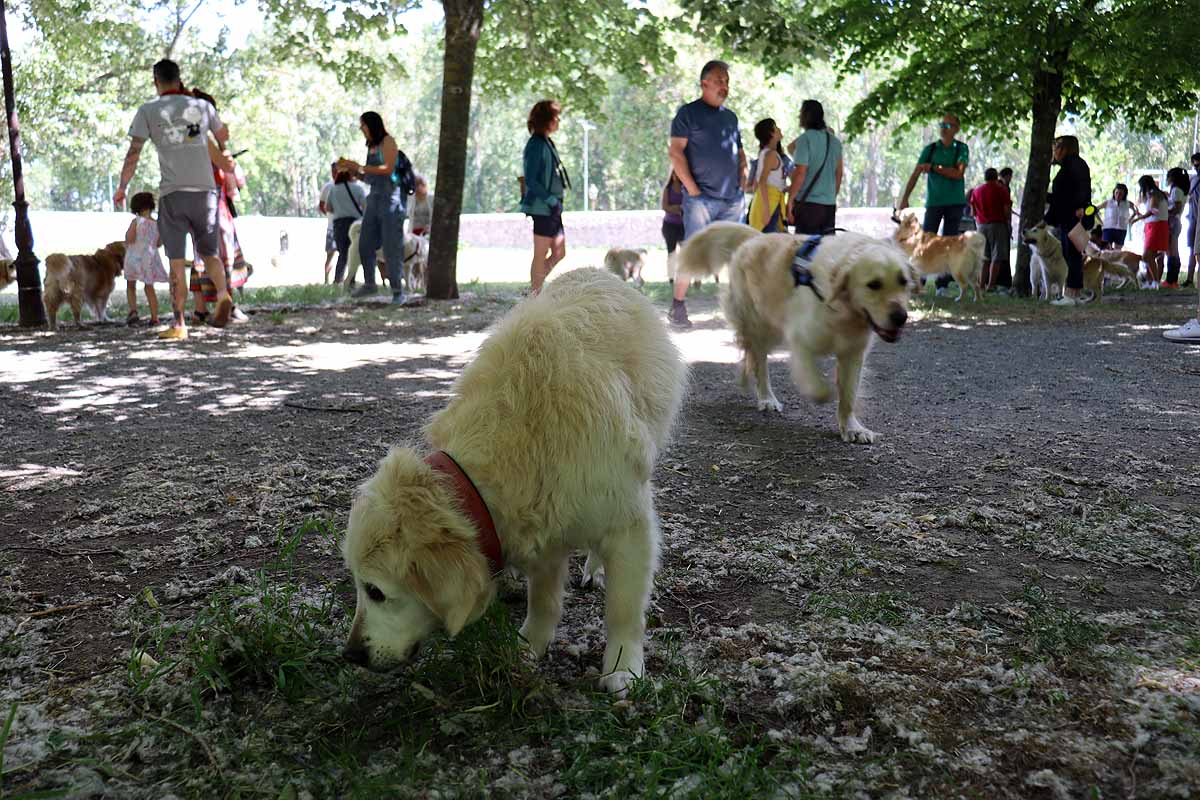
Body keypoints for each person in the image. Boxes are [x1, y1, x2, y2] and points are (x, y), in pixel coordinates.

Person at [113, 59, 233, 340]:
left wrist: (122, 186)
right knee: (210, 253)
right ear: (179, 80)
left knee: (177, 262)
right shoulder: (201, 107)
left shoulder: (148, 111)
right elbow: (221, 137)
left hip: (173, 194)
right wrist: (226, 156)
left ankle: (179, 323)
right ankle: (224, 295)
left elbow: (133, 153)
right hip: (205, 193)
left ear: (156, 82)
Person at [667, 60, 747, 327]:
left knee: (738, 254)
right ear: (705, 83)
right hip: (700, 199)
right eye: (719, 80)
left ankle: (741, 310)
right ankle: (678, 306)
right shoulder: (687, 113)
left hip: (732, 199)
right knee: (694, 252)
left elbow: (739, 150)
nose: (725, 85)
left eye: (727, 80)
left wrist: (742, 177)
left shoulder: (731, 117)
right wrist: (692, 189)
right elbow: (676, 152)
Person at [188, 89, 250, 324]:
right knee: (221, 254)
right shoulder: (204, 137)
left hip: (196, 200)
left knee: (200, 254)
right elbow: (227, 168)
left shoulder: (186, 136)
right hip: (214, 202)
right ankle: (227, 304)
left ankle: (200, 308)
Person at [339, 111, 407, 304]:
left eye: (363, 125)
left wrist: (359, 166)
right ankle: (370, 283)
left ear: (372, 125)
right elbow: (370, 177)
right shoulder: (371, 147)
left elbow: (388, 168)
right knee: (365, 243)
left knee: (391, 246)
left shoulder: (388, 142)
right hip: (374, 200)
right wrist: (353, 171)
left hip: (391, 201)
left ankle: (397, 291)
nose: (361, 128)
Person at [898, 113, 969, 295]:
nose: (944, 128)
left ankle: (942, 285)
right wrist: (905, 197)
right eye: (942, 124)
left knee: (950, 243)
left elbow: (958, 173)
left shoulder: (961, 149)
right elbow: (915, 174)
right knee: (923, 241)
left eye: (948, 125)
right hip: (934, 203)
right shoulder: (930, 150)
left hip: (955, 202)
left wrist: (936, 168)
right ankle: (917, 282)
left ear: (956, 129)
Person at [520, 100, 570, 295]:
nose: (558, 121)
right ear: (545, 120)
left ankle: (535, 289)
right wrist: (551, 200)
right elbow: (531, 179)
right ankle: (535, 294)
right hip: (543, 208)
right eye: (555, 118)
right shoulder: (535, 145)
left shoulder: (546, 142)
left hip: (553, 207)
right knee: (540, 254)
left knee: (559, 252)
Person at [1044, 135, 1092, 306]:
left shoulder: (1072, 166)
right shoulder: (1075, 164)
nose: (1054, 151)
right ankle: (1074, 293)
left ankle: (1071, 294)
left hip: (1071, 216)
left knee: (1071, 254)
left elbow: (1067, 195)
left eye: (1056, 147)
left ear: (1064, 149)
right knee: (1073, 254)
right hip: (1072, 215)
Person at [786, 99, 843, 236]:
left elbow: (800, 173)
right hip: (828, 206)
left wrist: (790, 200)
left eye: (801, 113)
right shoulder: (835, 142)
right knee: (826, 250)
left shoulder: (805, 140)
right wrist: (831, 196)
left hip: (809, 206)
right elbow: (839, 174)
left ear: (806, 116)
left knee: (805, 250)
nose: (799, 116)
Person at [122, 192, 167, 326]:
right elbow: (159, 243)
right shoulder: (157, 223)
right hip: (150, 257)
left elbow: (129, 239)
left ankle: (133, 311)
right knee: (149, 287)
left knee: (131, 284)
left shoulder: (136, 222)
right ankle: (154, 317)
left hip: (134, 257)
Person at [969, 168, 1012, 293]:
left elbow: (973, 212)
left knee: (984, 256)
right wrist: (1007, 222)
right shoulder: (1002, 189)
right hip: (998, 225)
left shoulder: (976, 191)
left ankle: (981, 284)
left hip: (981, 226)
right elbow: (1006, 209)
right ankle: (991, 285)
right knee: (996, 256)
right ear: (996, 176)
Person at [328, 168, 367, 285]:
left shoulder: (333, 190)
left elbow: (328, 208)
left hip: (338, 224)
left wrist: (340, 209)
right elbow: (365, 206)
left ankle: (337, 279)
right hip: (355, 224)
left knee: (343, 253)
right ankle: (351, 280)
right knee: (354, 252)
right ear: (351, 176)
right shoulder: (358, 188)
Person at [748, 118, 787, 232]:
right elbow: (762, 181)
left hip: (771, 202)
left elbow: (757, 182)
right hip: (769, 203)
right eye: (776, 127)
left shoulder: (766, 153)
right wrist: (766, 209)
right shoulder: (770, 154)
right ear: (771, 133)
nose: (779, 129)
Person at [1131, 175, 1169, 288]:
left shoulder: (1154, 194)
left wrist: (1138, 218)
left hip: (1156, 225)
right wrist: (1142, 216)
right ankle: (1151, 281)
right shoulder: (1155, 194)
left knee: (1147, 255)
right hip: (1153, 225)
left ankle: (1155, 281)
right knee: (1149, 255)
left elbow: (1153, 209)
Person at [1164, 167, 1189, 287]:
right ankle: (1172, 279)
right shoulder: (1179, 190)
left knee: (1172, 251)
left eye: (1168, 176)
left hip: (1173, 221)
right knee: (1173, 250)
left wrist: (1166, 212)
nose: (1167, 179)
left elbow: (1177, 207)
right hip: (1176, 222)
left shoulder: (1176, 190)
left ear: (1173, 178)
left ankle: (1171, 280)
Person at [662, 169, 686, 284]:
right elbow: (665, 206)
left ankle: (685, 277)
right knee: (671, 252)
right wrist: (676, 208)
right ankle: (671, 278)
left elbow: (688, 206)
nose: (677, 176)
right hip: (669, 226)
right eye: (675, 173)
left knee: (685, 252)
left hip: (683, 226)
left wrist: (676, 208)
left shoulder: (685, 189)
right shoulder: (668, 189)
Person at [1096, 183, 1133, 250]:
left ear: (1124, 194)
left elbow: (1136, 211)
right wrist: (1101, 222)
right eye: (1116, 193)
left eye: (1121, 193)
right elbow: (1095, 210)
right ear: (1114, 193)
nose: (1118, 195)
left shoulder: (1128, 203)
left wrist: (1129, 220)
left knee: (1117, 252)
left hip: (1121, 229)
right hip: (1108, 229)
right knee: (1106, 251)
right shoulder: (1108, 202)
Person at [319, 162, 337, 283]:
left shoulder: (350, 186)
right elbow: (321, 205)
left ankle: (340, 279)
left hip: (346, 226)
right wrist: (330, 215)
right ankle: (326, 279)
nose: (334, 173)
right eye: (333, 171)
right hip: (332, 226)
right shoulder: (328, 187)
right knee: (330, 254)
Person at [1185, 153, 1200, 288]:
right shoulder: (1193, 180)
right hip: (1193, 218)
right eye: (1195, 165)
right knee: (1192, 249)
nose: (1197, 168)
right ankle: (1190, 278)